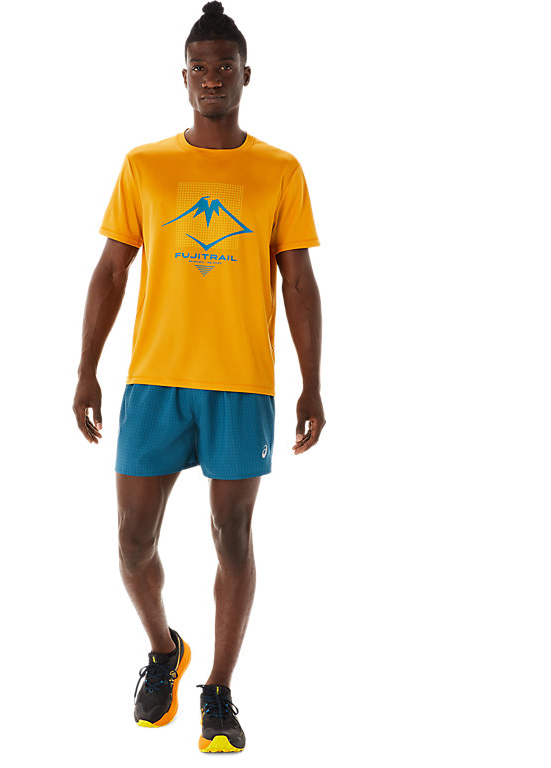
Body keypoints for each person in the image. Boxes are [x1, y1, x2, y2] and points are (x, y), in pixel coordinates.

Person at [73, 1, 324, 753]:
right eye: (200, 67)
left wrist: (313, 383)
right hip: (154, 380)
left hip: (241, 384)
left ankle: (218, 688)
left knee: (232, 536)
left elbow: (299, 282)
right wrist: (85, 370)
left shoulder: (279, 170)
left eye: (225, 66)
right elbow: (110, 270)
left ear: (247, 75)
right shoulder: (144, 165)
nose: (213, 77)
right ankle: (164, 651)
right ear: (182, 78)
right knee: (131, 543)